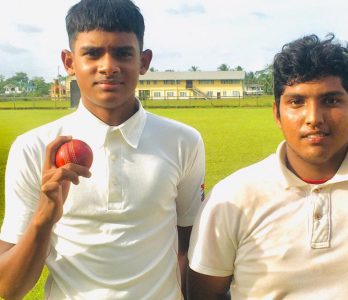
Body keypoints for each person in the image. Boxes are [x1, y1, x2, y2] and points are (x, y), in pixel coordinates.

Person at [187, 34, 348, 299]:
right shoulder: (233, 196)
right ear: (277, 114)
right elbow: (204, 292)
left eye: (331, 100)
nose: (314, 118)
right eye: (296, 102)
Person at [0, 0, 205, 299]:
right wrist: (44, 218)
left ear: (144, 61)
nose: (108, 66)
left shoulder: (183, 141)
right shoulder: (34, 147)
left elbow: (189, 248)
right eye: (92, 53)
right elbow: (9, 287)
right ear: (69, 62)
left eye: (123, 53)